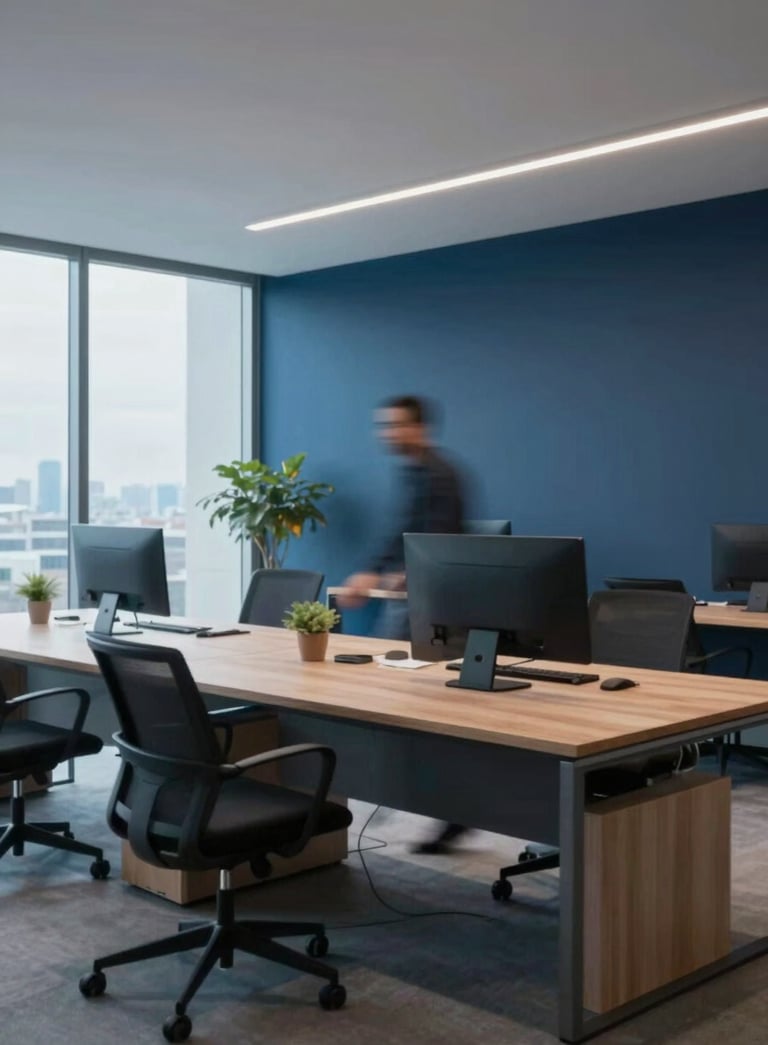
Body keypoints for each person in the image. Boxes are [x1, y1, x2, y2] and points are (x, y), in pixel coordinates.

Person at [337, 394, 469, 854]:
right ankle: (401, 787)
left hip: (435, 607)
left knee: (410, 699)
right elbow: (399, 532)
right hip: (412, 600)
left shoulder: (441, 474)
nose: (387, 434)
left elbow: (440, 539)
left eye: (395, 425)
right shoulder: (414, 471)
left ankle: (450, 807)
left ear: (420, 428)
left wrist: (398, 572)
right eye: (384, 425)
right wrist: (372, 571)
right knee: (386, 689)